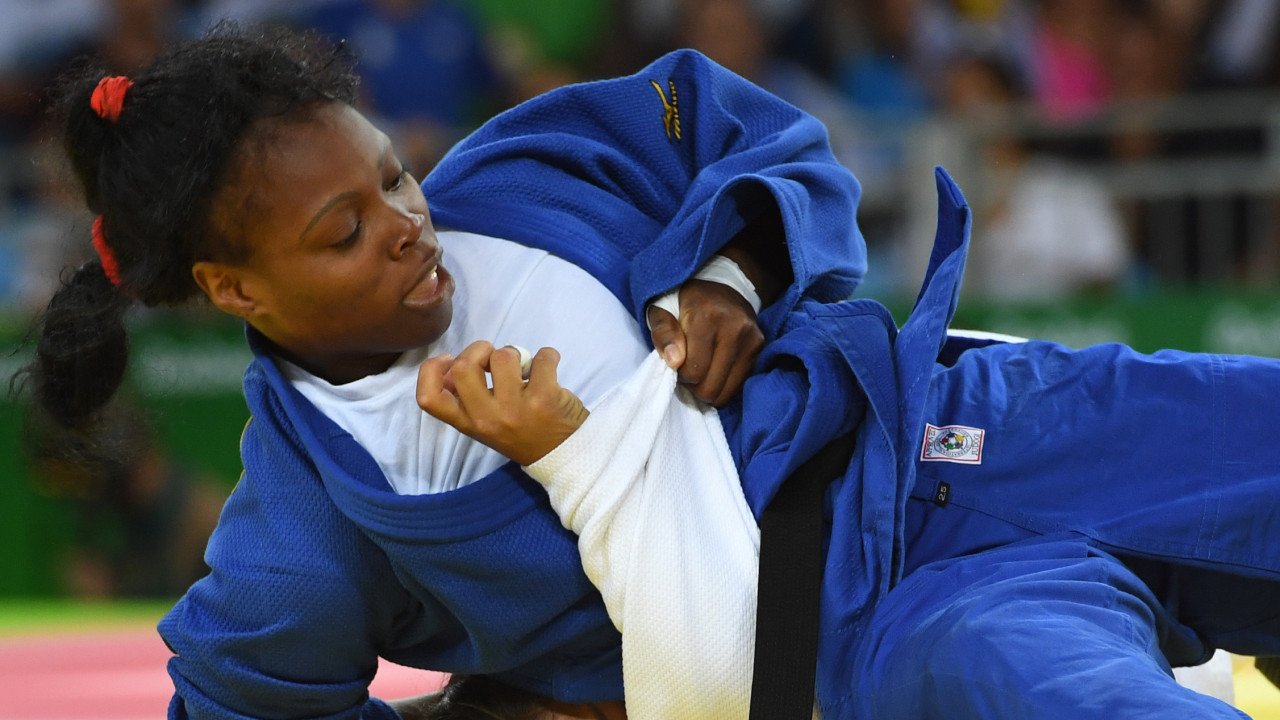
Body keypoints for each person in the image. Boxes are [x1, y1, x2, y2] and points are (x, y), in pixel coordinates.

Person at [24, 20, 1280, 720]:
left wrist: (728, 269)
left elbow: (760, 137)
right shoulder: (307, 527)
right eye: (340, 234)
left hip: (965, 425)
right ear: (233, 291)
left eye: (389, 178)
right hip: (873, 631)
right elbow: (243, 707)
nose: (405, 222)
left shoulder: (523, 172)